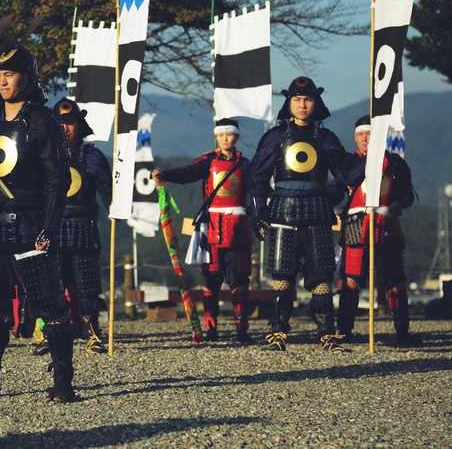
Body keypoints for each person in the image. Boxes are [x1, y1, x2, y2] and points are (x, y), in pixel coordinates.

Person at [0, 27, 76, 402]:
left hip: (30, 225)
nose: (3, 81)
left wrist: (50, 227)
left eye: (9, 74)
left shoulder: (42, 122)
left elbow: (57, 180)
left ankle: (62, 383)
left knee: (50, 306)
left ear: (26, 76)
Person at [250, 77, 363, 352]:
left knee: (321, 275)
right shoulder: (274, 138)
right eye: (297, 100)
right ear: (289, 103)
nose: (302, 105)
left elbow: (345, 173)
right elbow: (258, 177)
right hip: (281, 211)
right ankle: (278, 332)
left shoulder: (325, 138)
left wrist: (371, 161)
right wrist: (259, 213)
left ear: (316, 103)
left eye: (308, 99)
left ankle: (326, 332)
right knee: (282, 274)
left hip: (316, 212)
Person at [152, 118, 252, 344]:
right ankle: (211, 329)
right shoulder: (207, 161)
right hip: (212, 227)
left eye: (230, 134)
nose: (226, 138)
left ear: (236, 137)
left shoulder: (246, 165)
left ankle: (242, 330)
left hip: (239, 227)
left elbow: (256, 191)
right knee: (211, 280)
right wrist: (165, 175)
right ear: (216, 136)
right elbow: (188, 173)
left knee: (239, 280)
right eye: (222, 134)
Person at [337, 115, 420, 346]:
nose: (366, 138)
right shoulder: (347, 163)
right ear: (355, 138)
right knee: (350, 279)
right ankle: (344, 331)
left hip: (386, 225)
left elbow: (406, 196)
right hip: (355, 225)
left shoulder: (394, 163)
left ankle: (402, 332)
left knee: (395, 280)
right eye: (361, 134)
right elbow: (335, 191)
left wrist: (394, 206)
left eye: (370, 134)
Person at [49, 98, 112, 354]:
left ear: (79, 124)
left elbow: (108, 191)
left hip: (82, 226)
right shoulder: (45, 155)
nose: (65, 128)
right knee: (51, 283)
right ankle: (49, 331)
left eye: (70, 122)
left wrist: (115, 208)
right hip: (51, 226)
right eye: (60, 123)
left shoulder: (92, 156)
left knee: (86, 283)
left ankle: (93, 332)